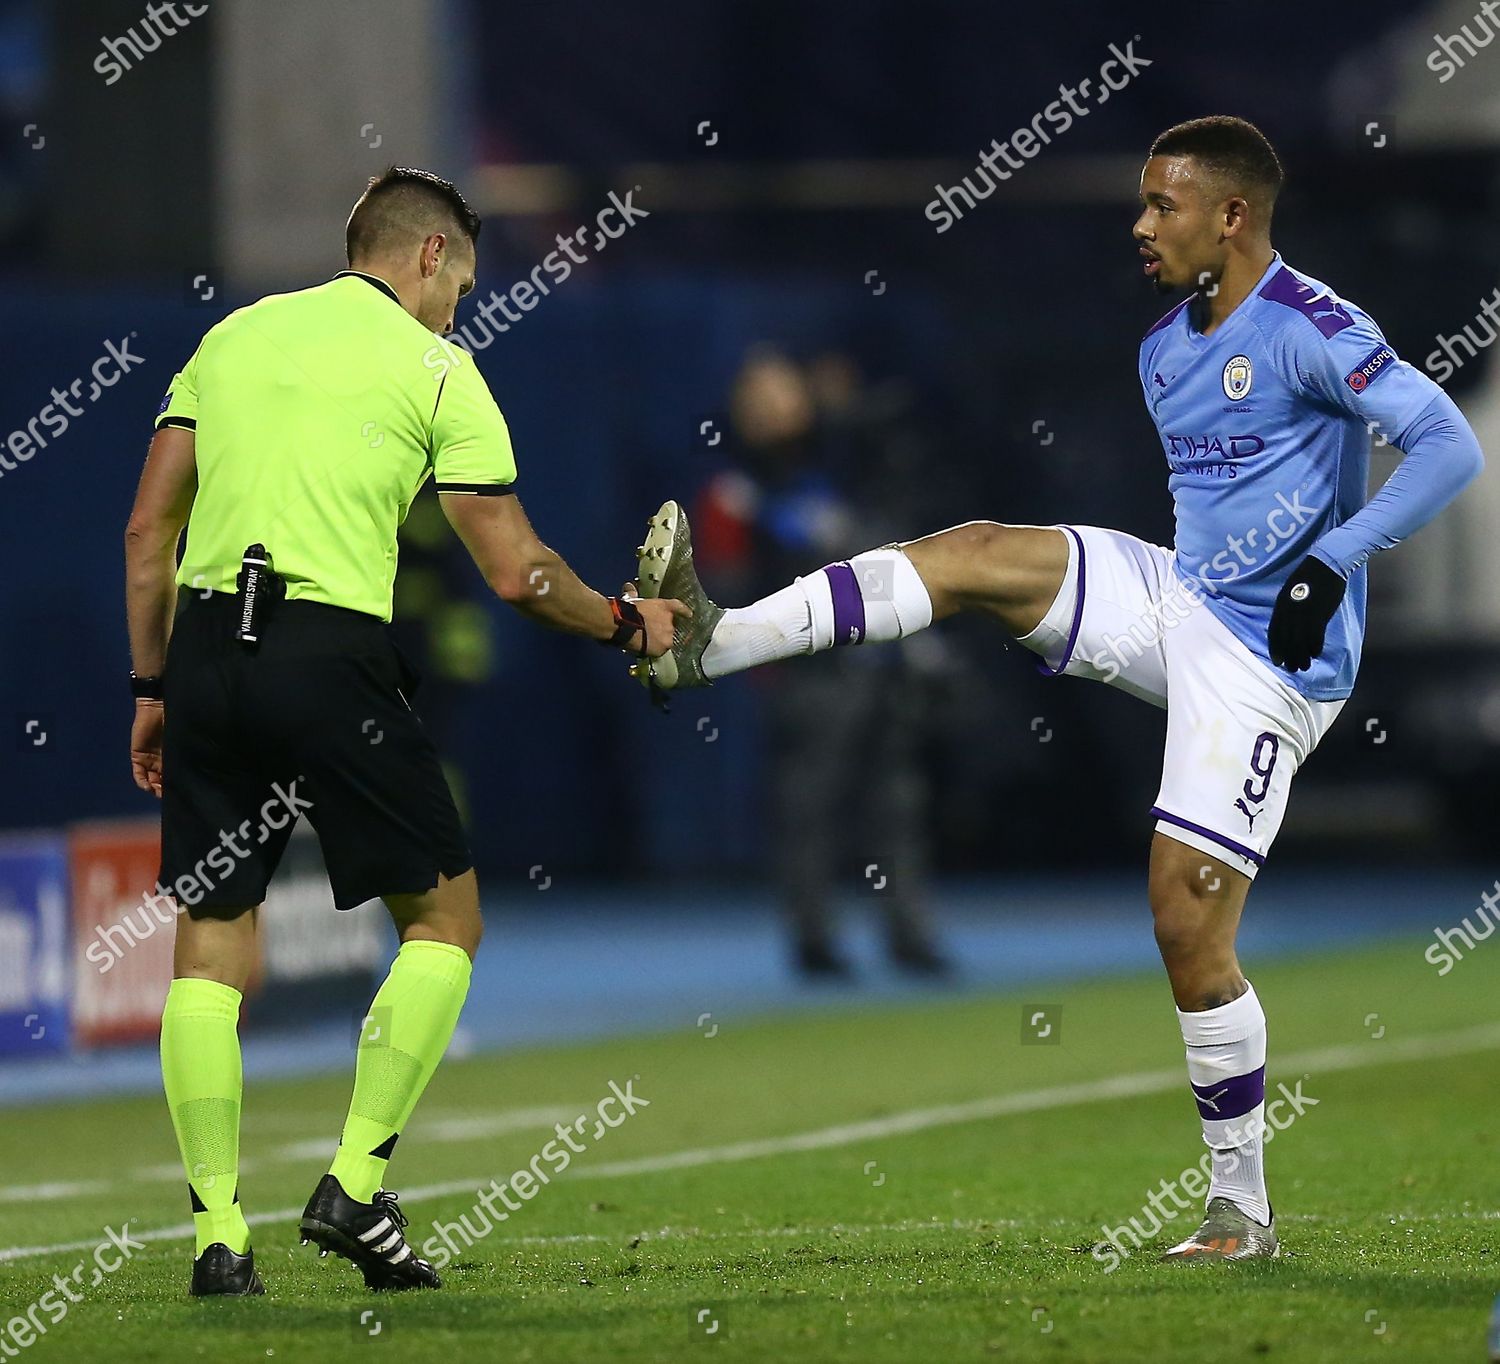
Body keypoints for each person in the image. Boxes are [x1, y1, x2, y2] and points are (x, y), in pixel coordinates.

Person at [633, 117, 1484, 1260]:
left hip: (1274, 662)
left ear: (1231, 216)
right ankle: (713, 642)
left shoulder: (1314, 327)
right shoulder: (1163, 348)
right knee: (979, 552)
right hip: (1185, 602)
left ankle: (1242, 1209)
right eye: (1141, 203)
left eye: (1163, 206)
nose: (1140, 225)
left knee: (1184, 921)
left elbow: (1444, 445)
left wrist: (1337, 555)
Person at [123, 166, 683, 1296]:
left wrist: (151, 685)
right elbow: (520, 573)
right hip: (328, 655)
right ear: (430, 256)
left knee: (212, 937)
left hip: (205, 657)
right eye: (461, 284)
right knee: (446, 917)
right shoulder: (441, 370)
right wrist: (630, 621)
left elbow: (148, 530)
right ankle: (355, 1180)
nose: (459, 307)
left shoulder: (229, 337)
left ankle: (217, 1237)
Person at [694, 348, 948, 978]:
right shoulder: (735, 489)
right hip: (805, 670)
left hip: (876, 658)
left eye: (783, 392)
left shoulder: (843, 464)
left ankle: (908, 934)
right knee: (809, 810)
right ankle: (814, 940)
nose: (773, 407)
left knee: (895, 804)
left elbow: (892, 517)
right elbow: (723, 582)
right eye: (757, 398)